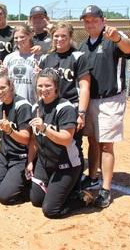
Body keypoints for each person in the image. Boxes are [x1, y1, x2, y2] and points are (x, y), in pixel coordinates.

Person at [79, 5, 130, 208]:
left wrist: (119, 38)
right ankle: (93, 176)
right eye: (86, 20)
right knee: (92, 141)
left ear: (103, 20)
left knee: (106, 144)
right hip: (90, 99)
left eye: (94, 19)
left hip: (111, 99)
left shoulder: (113, 37)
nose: (90, 23)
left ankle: (106, 188)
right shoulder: (84, 46)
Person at [27, 68, 93, 218]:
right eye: (40, 86)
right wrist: (31, 161)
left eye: (48, 86)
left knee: (50, 211)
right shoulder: (36, 107)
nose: (43, 89)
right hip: (45, 163)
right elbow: (34, 140)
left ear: (56, 86)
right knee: (36, 200)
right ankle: (63, 190)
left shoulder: (65, 108)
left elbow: (66, 139)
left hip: (66, 165)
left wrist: (44, 128)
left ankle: (80, 198)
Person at [38, 21, 92, 189]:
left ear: (70, 37)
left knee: (73, 144)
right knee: (50, 141)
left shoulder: (78, 56)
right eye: (56, 36)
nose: (60, 39)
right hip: (50, 107)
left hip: (71, 107)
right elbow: (40, 84)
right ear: (51, 37)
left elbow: (84, 86)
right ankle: (56, 178)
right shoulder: (46, 58)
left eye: (64, 36)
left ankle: (75, 182)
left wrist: (81, 112)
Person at [0, 73, 32, 205]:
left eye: (2, 88)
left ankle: (29, 185)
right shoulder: (0, 104)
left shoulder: (22, 105)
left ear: (11, 86)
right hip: (4, 156)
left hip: (20, 158)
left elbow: (26, 139)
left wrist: (10, 131)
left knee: (5, 197)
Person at [0, 24, 37, 104]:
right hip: (13, 103)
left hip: (32, 103)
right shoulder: (9, 58)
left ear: (30, 36)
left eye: (22, 37)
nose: (19, 40)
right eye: (16, 38)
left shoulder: (38, 57)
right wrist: (3, 73)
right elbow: (4, 82)